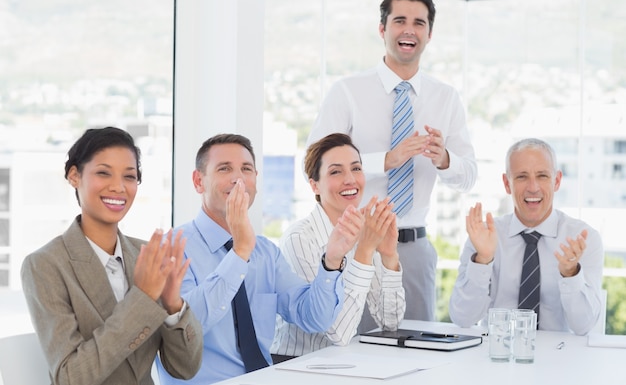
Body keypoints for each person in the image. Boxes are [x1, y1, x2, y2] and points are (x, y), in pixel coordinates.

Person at [307, 0, 477, 321]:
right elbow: (315, 166)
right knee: (354, 351)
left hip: (414, 250)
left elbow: (468, 176)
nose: (409, 30)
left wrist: (444, 158)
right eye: (400, 21)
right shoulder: (348, 92)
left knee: (418, 354)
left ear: (429, 34)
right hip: (357, 246)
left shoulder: (446, 98)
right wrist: (387, 159)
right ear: (383, 29)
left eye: (419, 23)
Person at [157, 133, 353, 385]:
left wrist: (332, 261)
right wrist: (239, 253)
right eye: (224, 168)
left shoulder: (265, 252)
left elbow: (313, 317)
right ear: (198, 181)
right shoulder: (173, 247)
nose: (238, 178)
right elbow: (187, 330)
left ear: (256, 181)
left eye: (246, 169)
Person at [20, 127, 202, 385]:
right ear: (74, 176)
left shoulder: (144, 255)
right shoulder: (45, 265)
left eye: (129, 176)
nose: (118, 187)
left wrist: (173, 306)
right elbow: (71, 378)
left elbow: (185, 369)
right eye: (103, 173)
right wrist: (143, 298)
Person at [449, 138, 604, 335]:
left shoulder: (583, 239)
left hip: (560, 358)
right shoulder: (484, 236)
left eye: (542, 176)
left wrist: (570, 273)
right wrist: (483, 260)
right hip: (498, 356)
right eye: (522, 177)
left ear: (556, 181)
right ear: (507, 183)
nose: (533, 187)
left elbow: (584, 326)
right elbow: (463, 318)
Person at [272, 133, 405, 358]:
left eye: (356, 168)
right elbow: (338, 333)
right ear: (314, 185)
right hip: (294, 365)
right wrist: (364, 251)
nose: (350, 179)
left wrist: (389, 256)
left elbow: (389, 321)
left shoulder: (364, 231)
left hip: (341, 365)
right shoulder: (300, 240)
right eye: (335, 171)